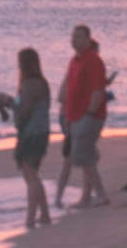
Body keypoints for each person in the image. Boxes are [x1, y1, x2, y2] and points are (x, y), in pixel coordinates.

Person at [56, 26, 110, 209]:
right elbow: (65, 92)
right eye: (73, 37)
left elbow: (98, 90)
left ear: (88, 39)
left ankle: (100, 195)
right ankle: (87, 197)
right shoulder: (74, 60)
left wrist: (89, 114)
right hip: (72, 117)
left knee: (83, 157)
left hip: (88, 116)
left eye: (79, 37)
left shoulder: (93, 61)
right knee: (83, 156)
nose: (75, 40)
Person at [12, 48, 53, 229]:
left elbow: (24, 113)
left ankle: (30, 218)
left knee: (30, 176)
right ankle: (44, 214)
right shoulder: (42, 83)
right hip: (41, 132)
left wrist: (10, 104)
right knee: (34, 175)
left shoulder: (30, 85)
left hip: (32, 134)